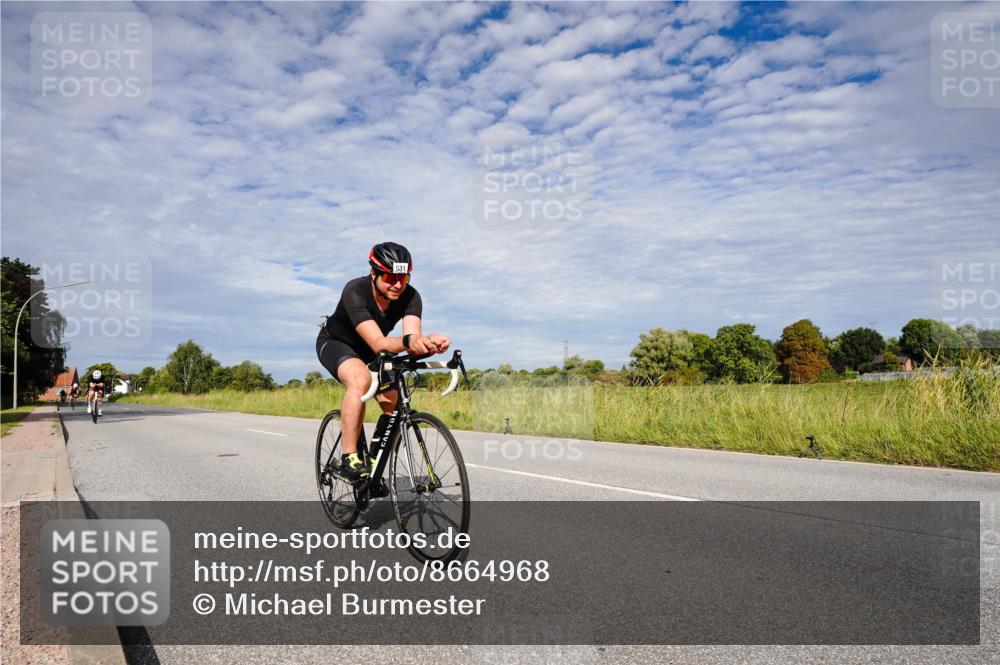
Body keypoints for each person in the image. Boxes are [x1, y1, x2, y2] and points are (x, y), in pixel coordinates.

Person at [316, 242, 450, 491]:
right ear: (374, 273)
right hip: (337, 343)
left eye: (404, 277)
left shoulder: (411, 296)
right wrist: (410, 342)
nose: (398, 285)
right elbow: (379, 343)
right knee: (360, 379)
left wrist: (428, 342)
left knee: (395, 405)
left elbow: (411, 339)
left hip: (373, 351)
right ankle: (350, 458)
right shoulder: (355, 290)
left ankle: (374, 468)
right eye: (390, 278)